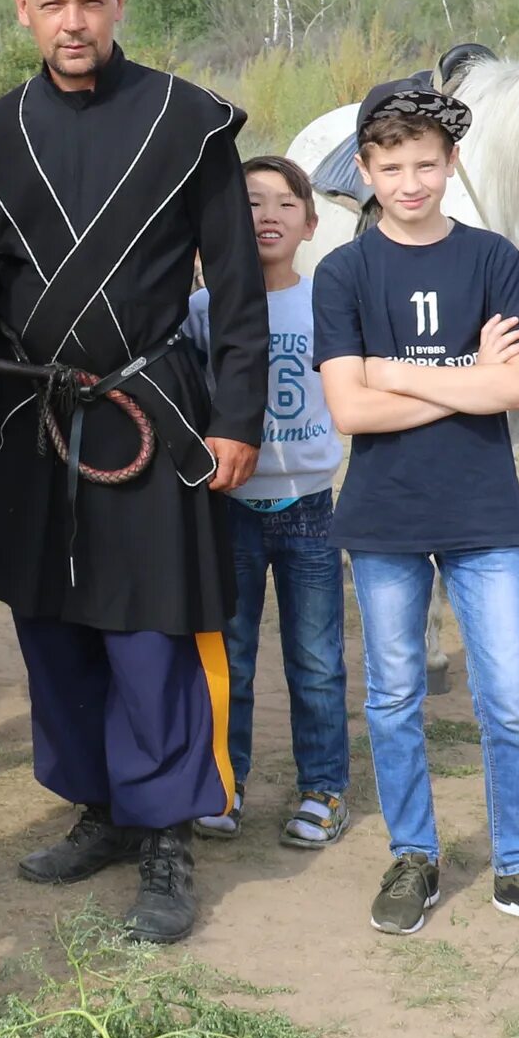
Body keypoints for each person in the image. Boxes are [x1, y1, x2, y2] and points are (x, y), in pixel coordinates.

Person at [0, 0, 265, 946]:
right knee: (52, 627)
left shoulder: (187, 122)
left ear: (121, 3)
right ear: (24, 9)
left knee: (150, 630)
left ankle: (166, 834)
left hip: (149, 408)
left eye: (91, 0)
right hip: (30, 416)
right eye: (53, 2)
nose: (74, 20)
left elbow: (236, 287)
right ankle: (101, 809)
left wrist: (237, 413)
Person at [315, 81, 519, 942]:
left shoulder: (492, 259)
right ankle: (414, 856)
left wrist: (391, 371)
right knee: (394, 697)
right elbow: (348, 412)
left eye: (425, 165)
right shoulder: (345, 270)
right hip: (386, 513)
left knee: (508, 697)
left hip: (481, 513)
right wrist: (456, 382)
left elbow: (511, 387)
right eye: (391, 167)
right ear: (365, 169)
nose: (409, 182)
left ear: (450, 165)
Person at [186, 156, 353, 850]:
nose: (267, 216)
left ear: (311, 223)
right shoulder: (203, 309)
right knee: (232, 655)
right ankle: (226, 781)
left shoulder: (328, 305)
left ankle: (324, 788)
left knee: (316, 660)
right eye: (250, 203)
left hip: (312, 507)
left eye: (285, 204)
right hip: (230, 505)